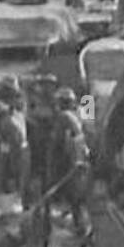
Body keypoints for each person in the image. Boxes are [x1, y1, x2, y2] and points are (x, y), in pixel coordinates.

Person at [49, 88, 91, 236]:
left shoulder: (63, 117)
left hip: (72, 161)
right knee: (79, 196)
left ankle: (80, 228)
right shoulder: (80, 112)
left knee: (74, 197)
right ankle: (82, 225)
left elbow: (58, 142)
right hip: (82, 159)